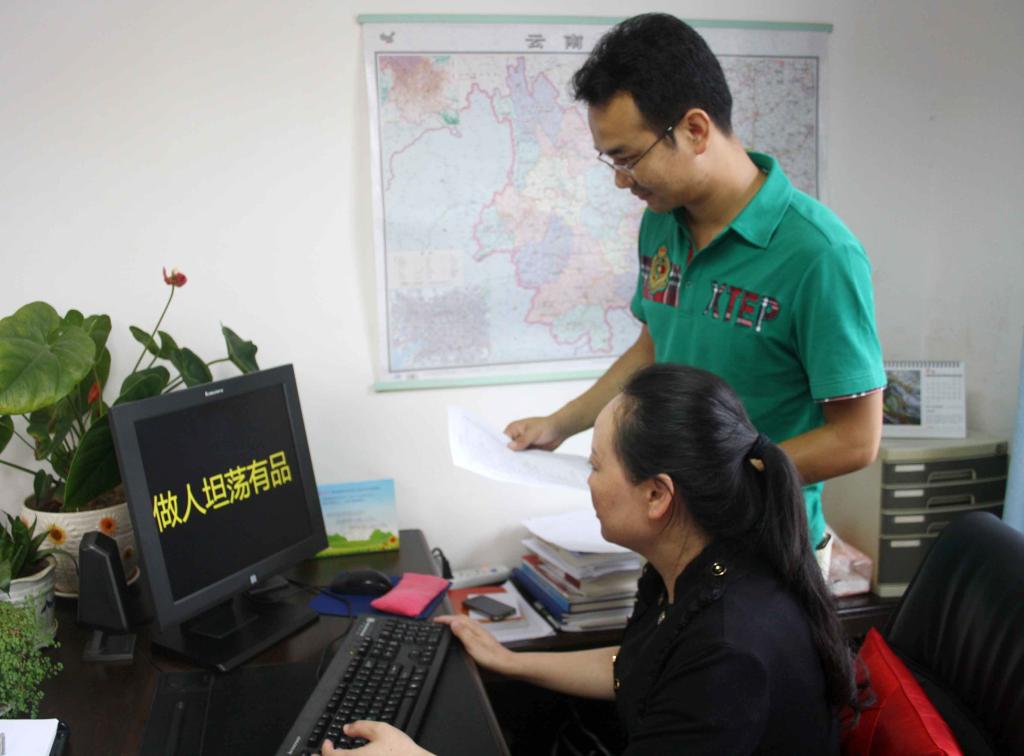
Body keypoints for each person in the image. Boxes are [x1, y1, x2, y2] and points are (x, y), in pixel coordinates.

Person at [505, 13, 887, 566]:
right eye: (610, 160)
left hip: (766, 553)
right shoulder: (661, 222)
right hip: (673, 542)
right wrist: (560, 424)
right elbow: (653, 348)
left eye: (628, 158)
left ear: (695, 130)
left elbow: (855, 440)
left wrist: (721, 480)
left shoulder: (820, 255)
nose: (620, 179)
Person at [322, 364, 858, 754]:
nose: (588, 481)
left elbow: (680, 672)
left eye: (597, 466)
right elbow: (639, 667)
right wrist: (510, 661)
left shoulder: (727, 648)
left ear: (657, 495)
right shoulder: (693, 569)